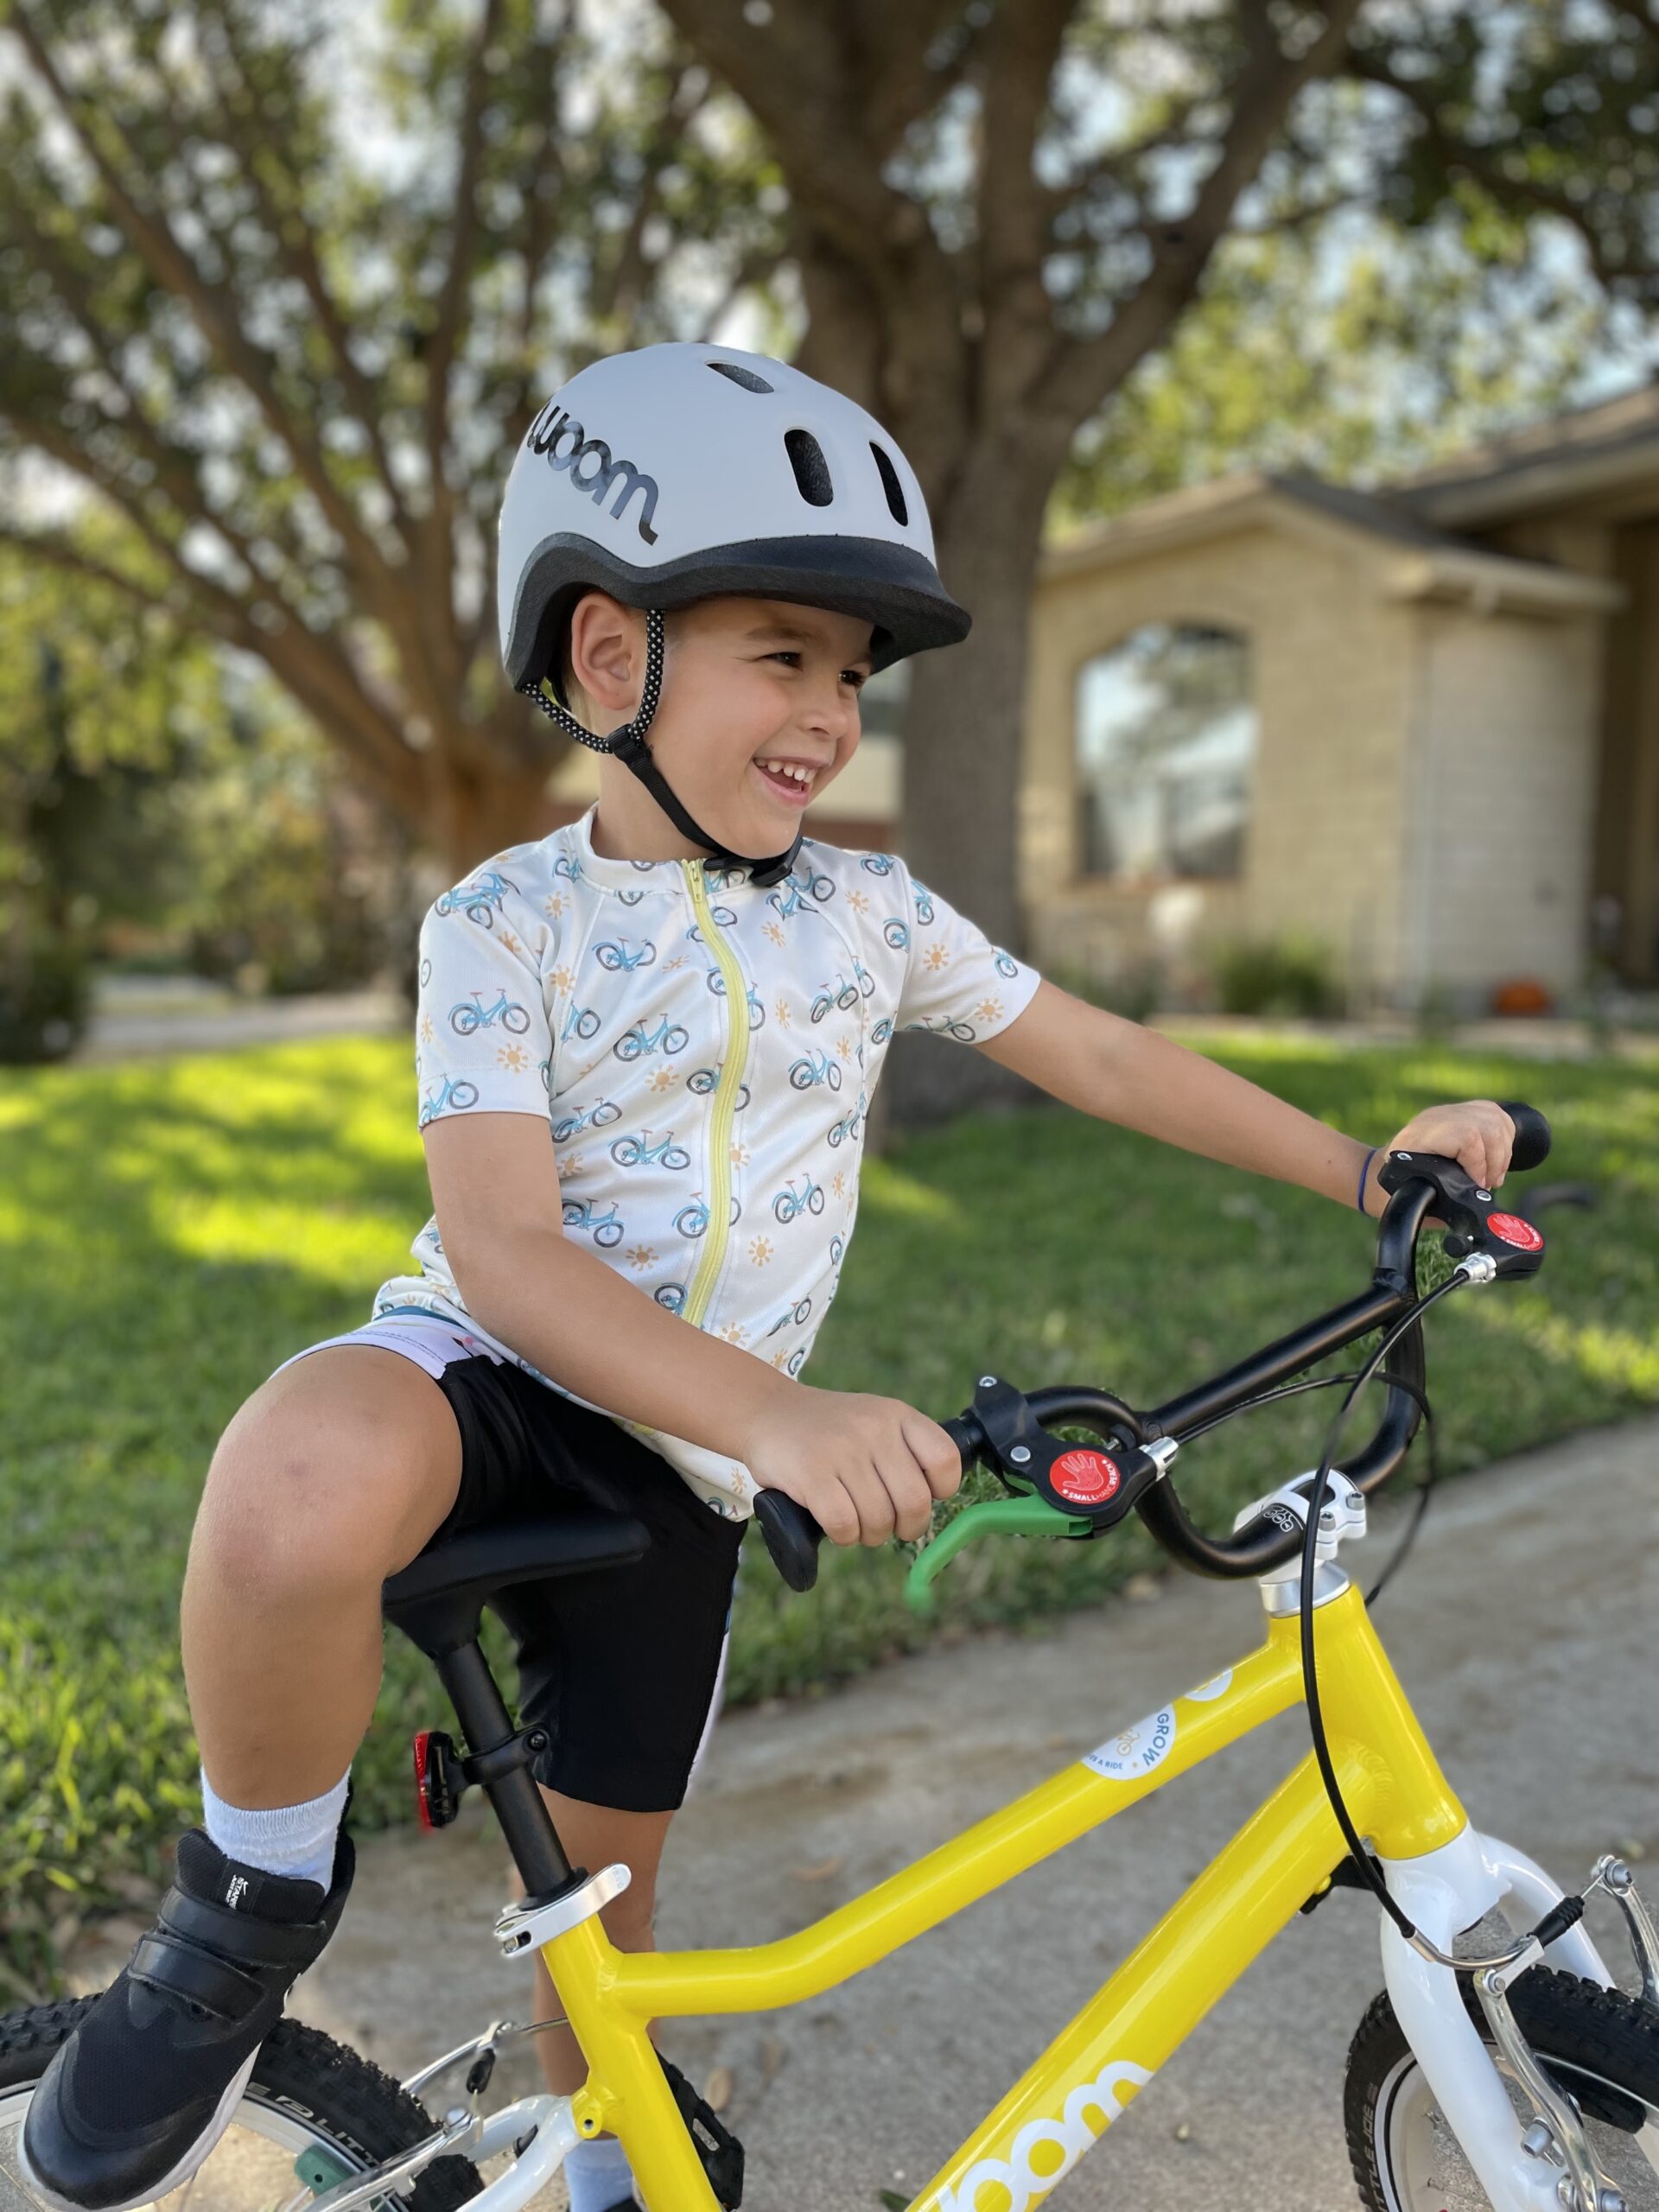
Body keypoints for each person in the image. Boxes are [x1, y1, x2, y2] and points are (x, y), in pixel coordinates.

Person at [21, 341, 1521, 2212]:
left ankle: (612, 2171)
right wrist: (784, 1415)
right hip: (496, 1384)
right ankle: (240, 1911)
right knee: (297, 1467)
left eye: (852, 674)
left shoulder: (873, 914)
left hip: (689, 1480)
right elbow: (506, 1249)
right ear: (608, 658)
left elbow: (1105, 1055)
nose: (829, 713)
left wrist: (1362, 1167)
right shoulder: (503, 921)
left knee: (605, 1933)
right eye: (783, 654)